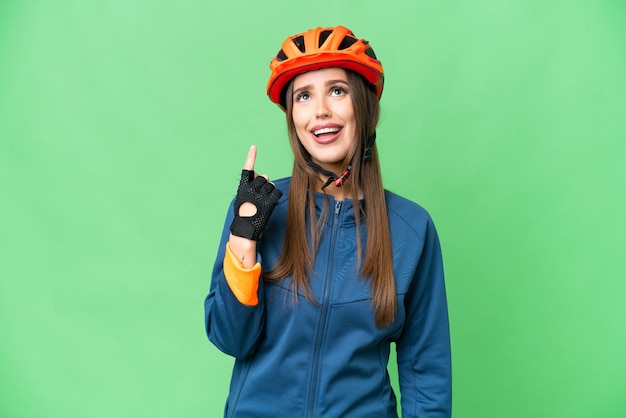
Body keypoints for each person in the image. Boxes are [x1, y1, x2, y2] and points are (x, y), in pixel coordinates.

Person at [204, 25, 451, 418]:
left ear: (364, 106)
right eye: (304, 96)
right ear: (294, 117)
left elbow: (426, 370)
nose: (321, 110)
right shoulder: (261, 209)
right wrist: (244, 239)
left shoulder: (411, 228)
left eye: (337, 90)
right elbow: (230, 338)